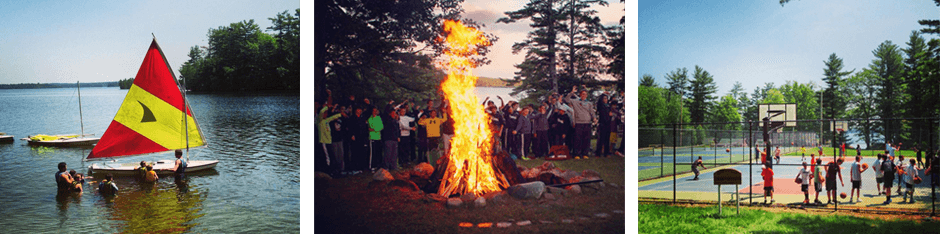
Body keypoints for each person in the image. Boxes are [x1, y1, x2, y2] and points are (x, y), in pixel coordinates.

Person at [565, 86, 595, 159]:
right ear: (580, 95)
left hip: (587, 123)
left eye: (585, 94)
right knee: (578, 139)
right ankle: (577, 154)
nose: (584, 95)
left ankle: (585, 153)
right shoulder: (576, 101)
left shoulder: (589, 103)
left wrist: (594, 118)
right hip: (578, 123)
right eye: (582, 94)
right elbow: (566, 100)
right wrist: (572, 92)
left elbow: (592, 112)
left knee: (586, 139)